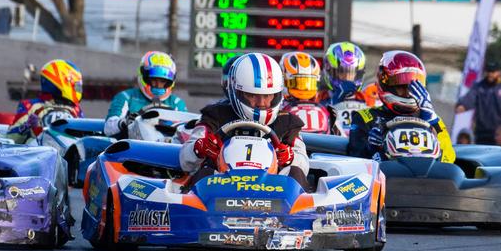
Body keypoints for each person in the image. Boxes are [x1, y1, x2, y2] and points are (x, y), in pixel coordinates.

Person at [179, 53, 308, 187]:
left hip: (275, 191)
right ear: (236, 92)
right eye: (253, 95)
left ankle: (301, 208)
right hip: (222, 189)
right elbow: (184, 161)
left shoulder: (288, 122)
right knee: (206, 171)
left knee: (295, 172)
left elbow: (304, 164)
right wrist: (199, 148)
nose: (261, 103)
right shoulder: (215, 116)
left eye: (268, 96)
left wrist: (290, 158)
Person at [348, 51, 456, 163]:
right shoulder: (366, 118)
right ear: (385, 84)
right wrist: (371, 149)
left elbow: (448, 159)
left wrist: (432, 120)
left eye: (413, 87)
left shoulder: (430, 119)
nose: (409, 93)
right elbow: (355, 161)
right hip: (386, 177)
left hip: (425, 178)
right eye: (402, 87)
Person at [104, 51, 187, 138]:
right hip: (133, 148)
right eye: (154, 80)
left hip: (165, 148)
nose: (158, 85)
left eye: (163, 81)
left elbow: (185, 133)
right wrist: (125, 122)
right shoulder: (126, 97)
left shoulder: (177, 103)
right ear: (144, 76)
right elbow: (108, 128)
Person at [8, 58, 83, 142]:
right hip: (39, 152)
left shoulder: (76, 109)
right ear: (62, 81)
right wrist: (27, 125)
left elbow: (82, 138)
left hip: (67, 152)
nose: (78, 89)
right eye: (76, 86)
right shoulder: (30, 106)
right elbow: (11, 138)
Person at [454, 60, 501, 145]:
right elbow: (470, 98)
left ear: (499, 72)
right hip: (481, 131)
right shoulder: (479, 87)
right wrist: (462, 105)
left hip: (500, 133)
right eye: (488, 71)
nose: (490, 74)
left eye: (493, 72)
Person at [279, 51, 331, 134]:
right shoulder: (277, 107)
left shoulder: (326, 108)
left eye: (309, 82)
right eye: (298, 83)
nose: (304, 89)